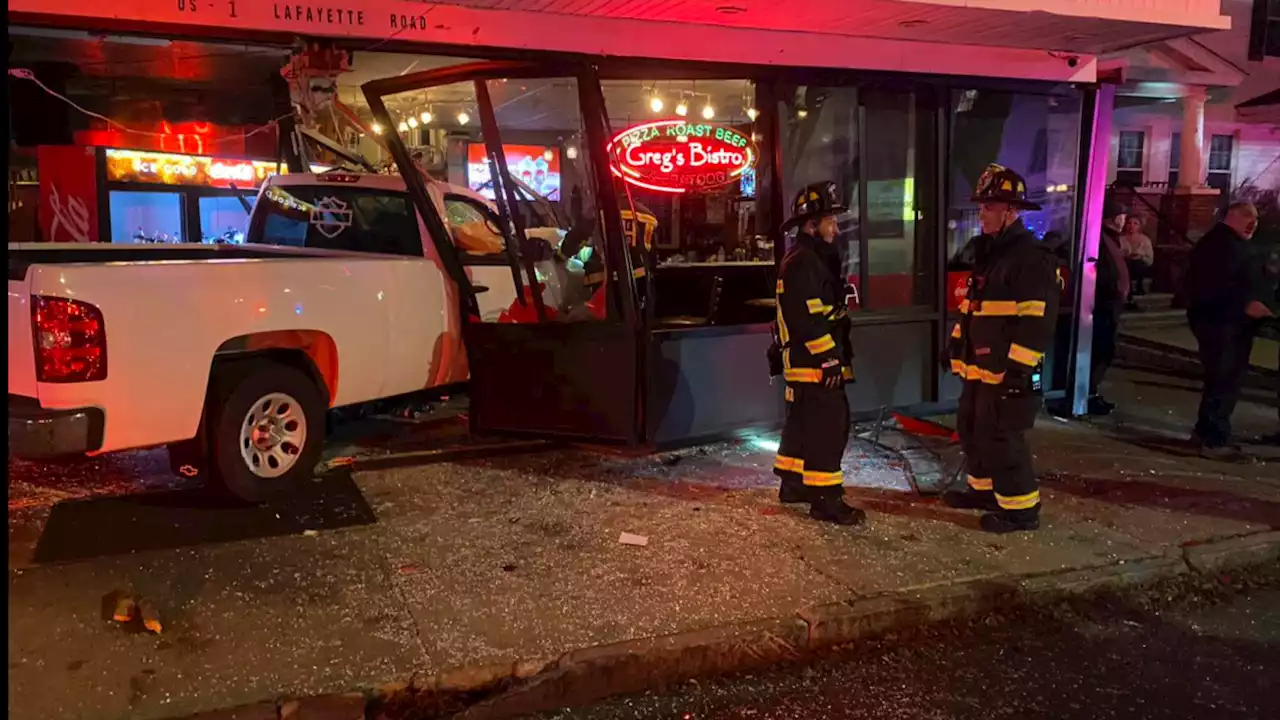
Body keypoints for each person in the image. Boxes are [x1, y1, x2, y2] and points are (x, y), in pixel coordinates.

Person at [942, 164, 1059, 534]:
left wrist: (1019, 372)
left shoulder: (1029, 259)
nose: (981, 215)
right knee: (973, 429)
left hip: (1008, 373)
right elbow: (973, 308)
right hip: (980, 368)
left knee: (1003, 437)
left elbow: (1037, 321)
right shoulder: (992, 254)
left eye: (988, 208)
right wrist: (956, 345)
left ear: (1011, 211)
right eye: (981, 208)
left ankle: (1021, 510)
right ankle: (984, 492)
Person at [771, 181, 865, 526]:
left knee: (802, 424)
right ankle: (826, 499)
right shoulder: (805, 262)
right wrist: (829, 359)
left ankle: (793, 483)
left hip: (804, 361)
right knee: (828, 427)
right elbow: (809, 318)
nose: (836, 229)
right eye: (830, 221)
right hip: (815, 363)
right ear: (812, 224)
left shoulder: (803, 259)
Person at [1185, 202, 1273, 460]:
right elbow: (1209, 287)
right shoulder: (1221, 246)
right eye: (1248, 216)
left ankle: (1206, 432)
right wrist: (1245, 305)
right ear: (1232, 217)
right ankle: (1214, 438)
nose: (1253, 223)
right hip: (1222, 324)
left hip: (1228, 323)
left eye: (1256, 218)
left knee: (1222, 379)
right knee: (1224, 379)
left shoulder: (1227, 244)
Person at [1088, 199, 1130, 416]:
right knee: (1101, 351)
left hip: (1108, 305)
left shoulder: (1110, 239)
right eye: (1123, 216)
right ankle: (1089, 393)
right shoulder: (1102, 240)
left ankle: (1091, 392)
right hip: (1103, 306)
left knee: (1103, 351)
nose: (1126, 221)